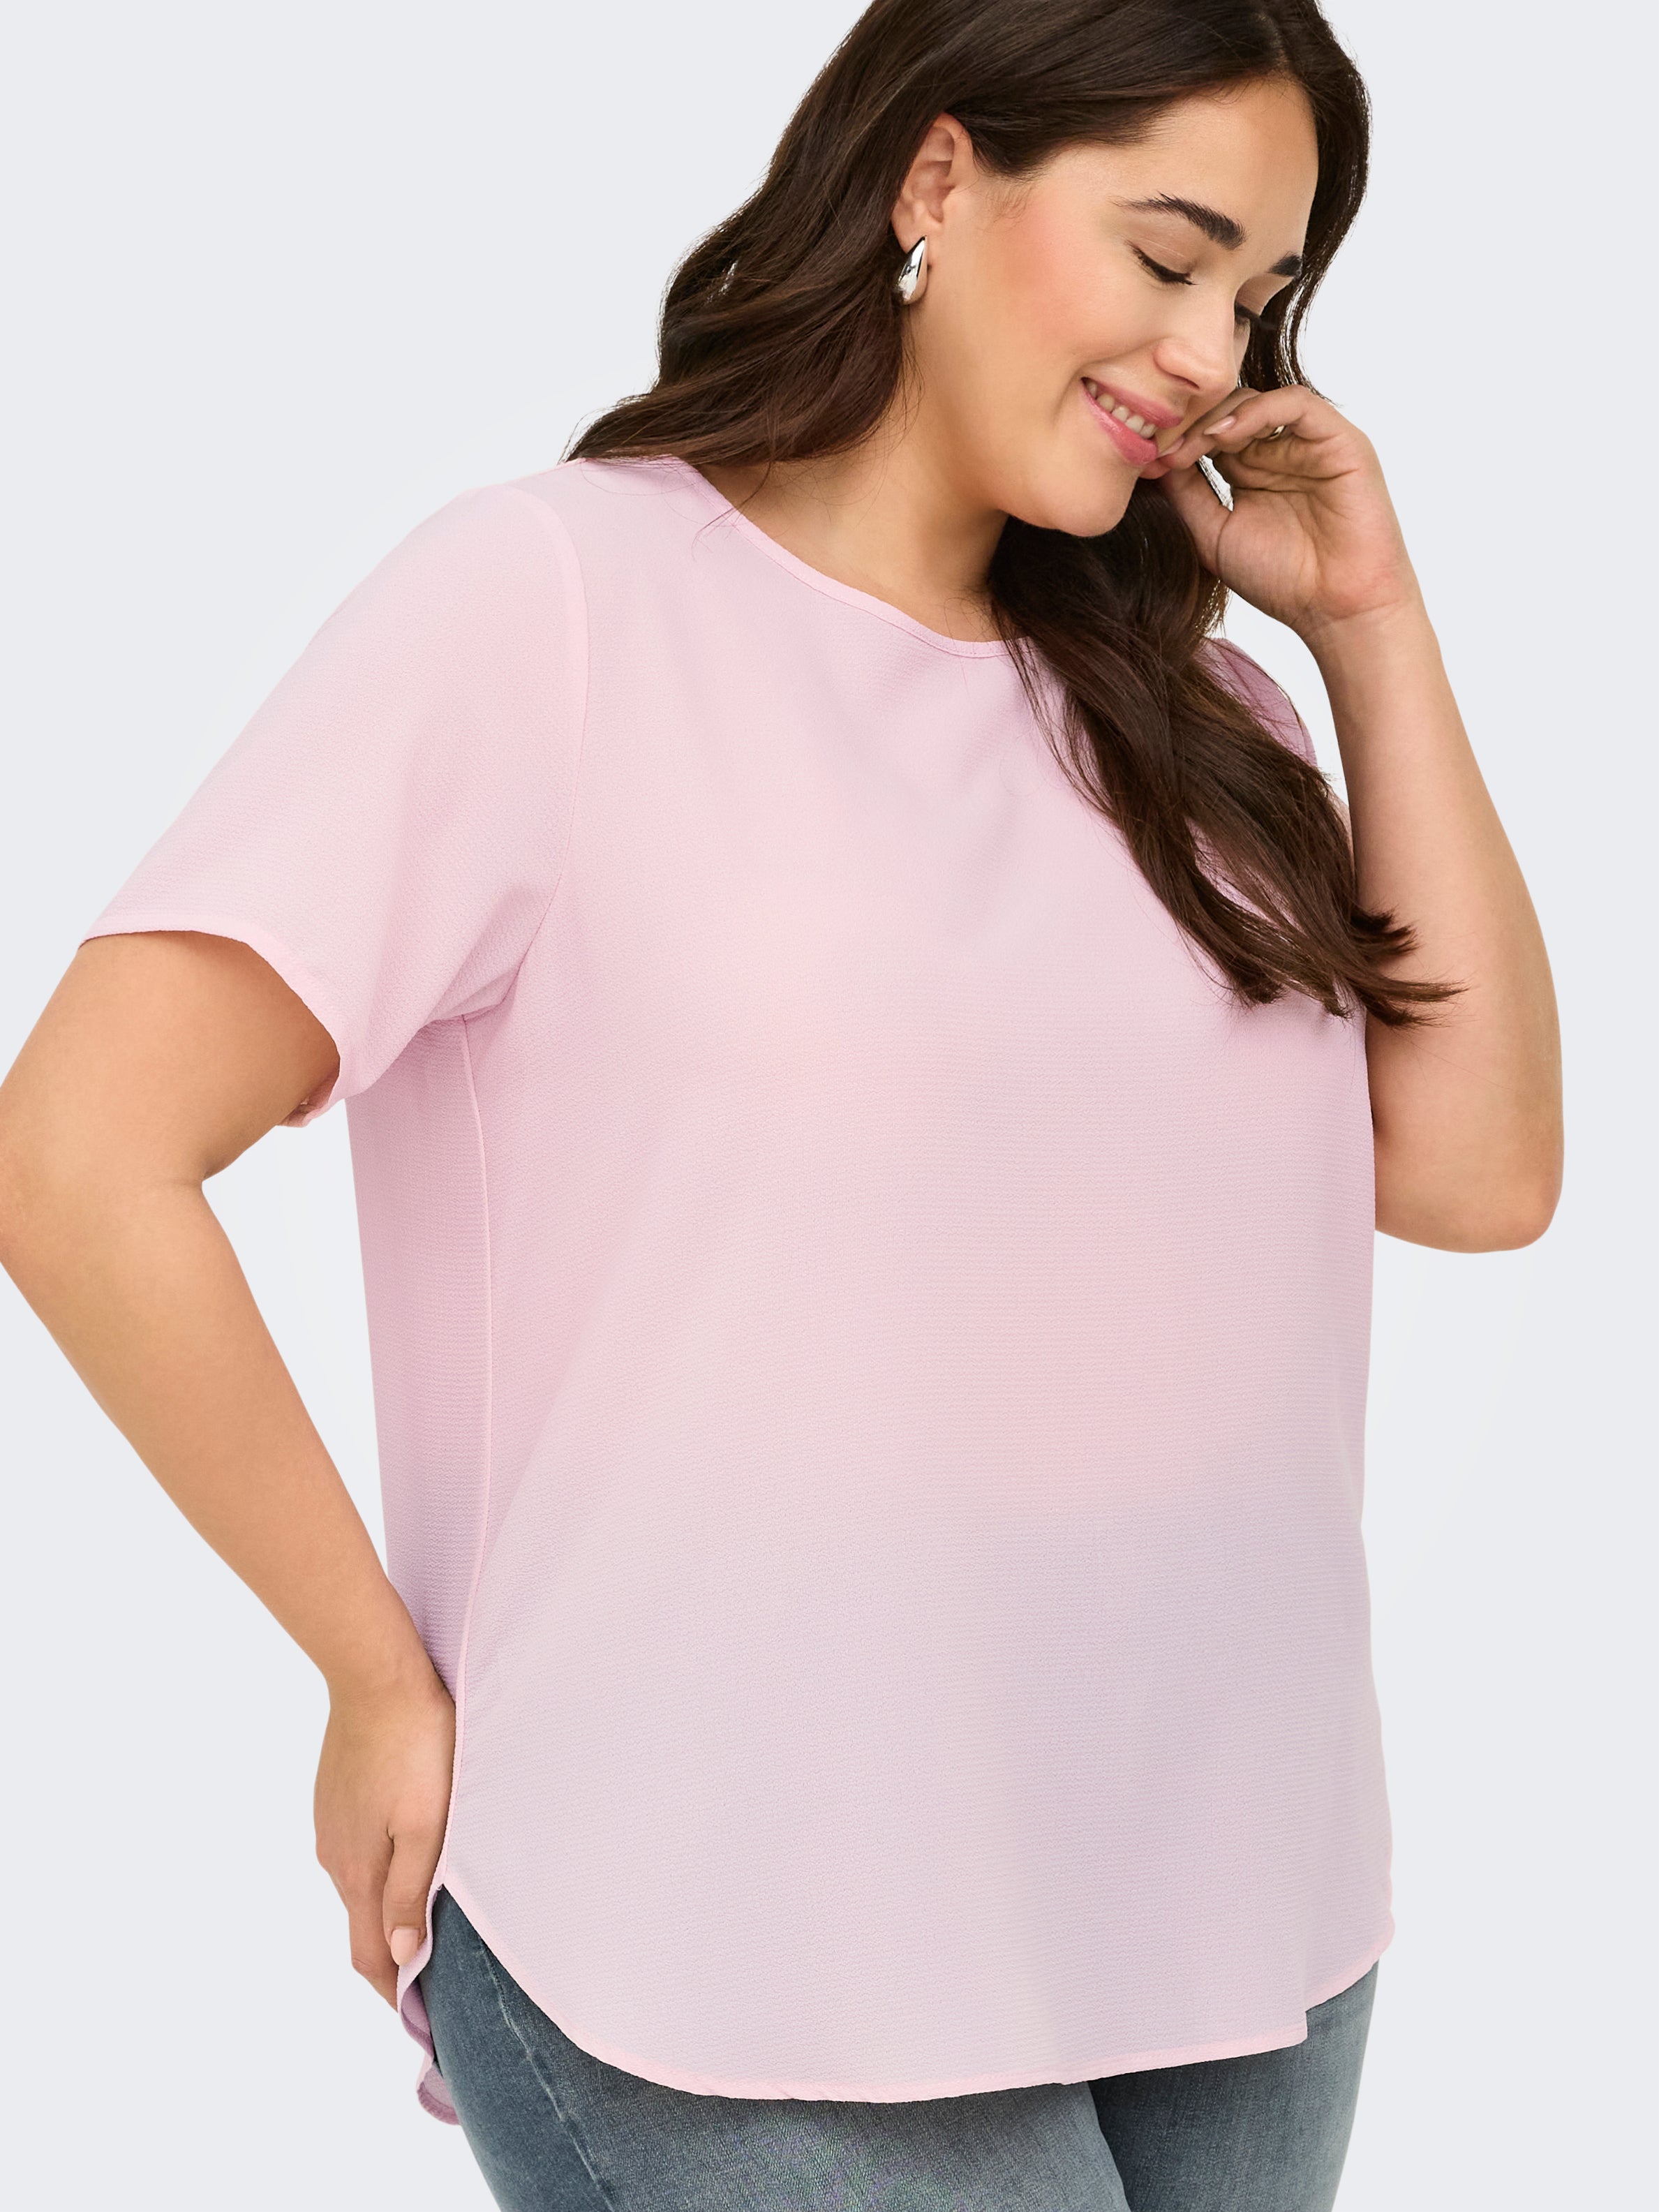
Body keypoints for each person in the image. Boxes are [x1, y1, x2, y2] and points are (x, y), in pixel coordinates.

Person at [0, 1, 1561, 2206]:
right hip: (729, 1924)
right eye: (1168, 252)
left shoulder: (1202, 719)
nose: (1208, 351)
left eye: (1260, 295)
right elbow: (77, 1150)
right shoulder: (558, 601)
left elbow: (1482, 1172)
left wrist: (1370, 628)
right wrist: (370, 1672)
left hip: (1239, 1902)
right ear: (935, 180)